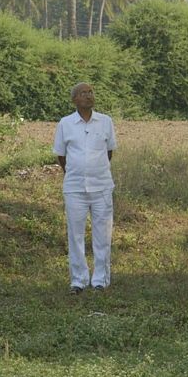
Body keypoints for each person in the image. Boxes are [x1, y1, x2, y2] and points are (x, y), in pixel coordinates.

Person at [52, 82, 117, 294]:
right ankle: (78, 281)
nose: (88, 96)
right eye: (83, 93)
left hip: (101, 188)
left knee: (102, 235)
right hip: (74, 188)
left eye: (91, 92)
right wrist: (76, 172)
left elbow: (108, 153)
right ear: (74, 100)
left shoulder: (105, 122)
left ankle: (100, 280)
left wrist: (95, 171)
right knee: (75, 235)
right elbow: (61, 156)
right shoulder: (65, 123)